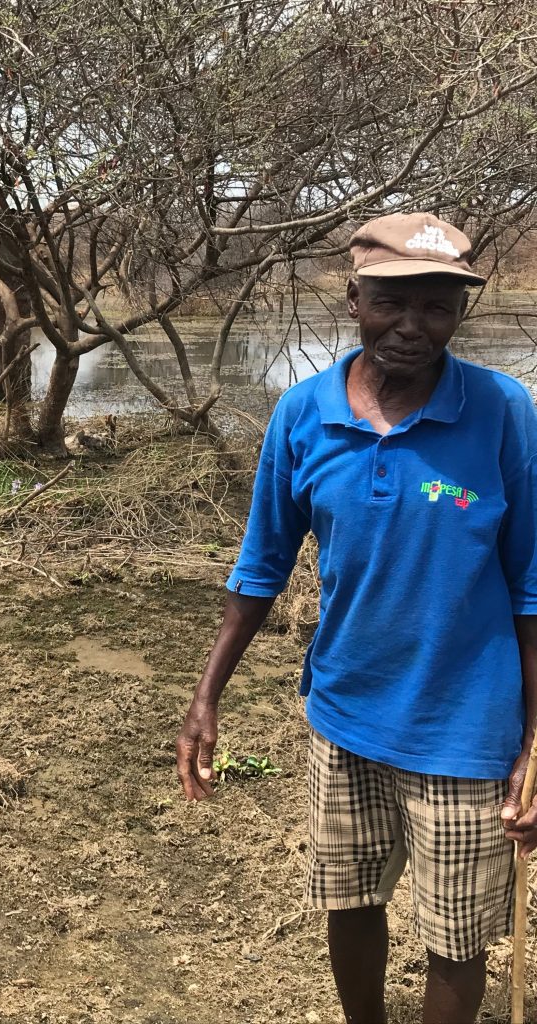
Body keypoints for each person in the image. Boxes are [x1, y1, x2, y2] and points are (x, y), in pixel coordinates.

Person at [176, 212, 537, 1024]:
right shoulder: (303, 415)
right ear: (353, 298)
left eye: (437, 307)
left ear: (459, 314)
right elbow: (261, 567)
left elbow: (533, 586)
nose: (412, 327)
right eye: (390, 303)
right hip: (343, 714)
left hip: (466, 728)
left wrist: (536, 741)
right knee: (349, 899)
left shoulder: (503, 412)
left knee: (456, 936)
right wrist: (206, 697)